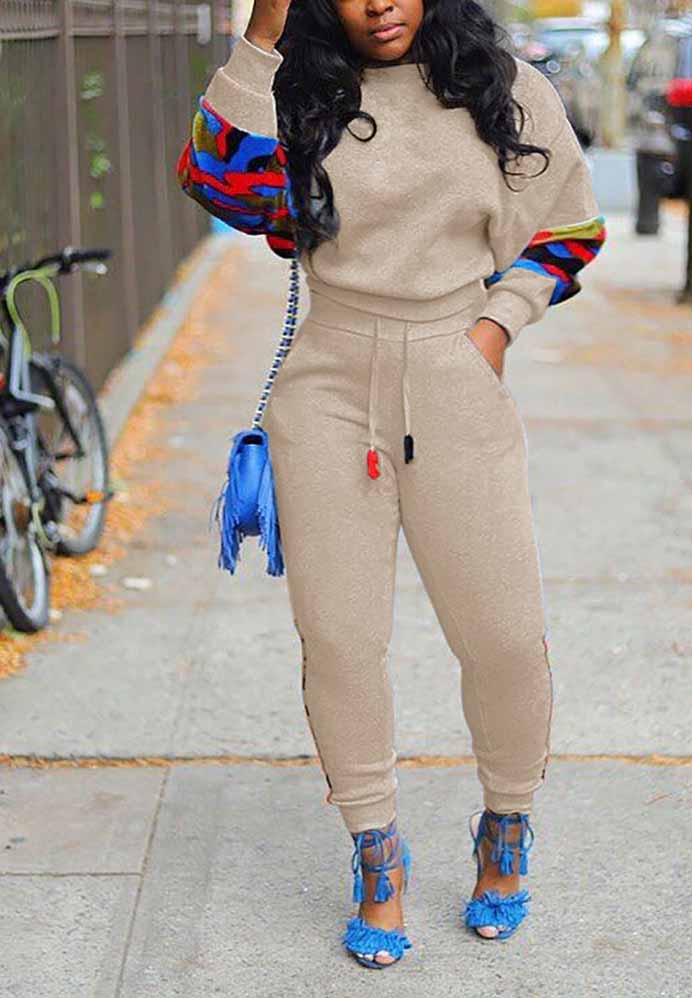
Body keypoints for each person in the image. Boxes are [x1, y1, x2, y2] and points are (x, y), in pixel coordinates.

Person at [176, 0, 606, 970]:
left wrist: (497, 325)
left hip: (455, 370)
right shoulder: (300, 88)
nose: (380, 2)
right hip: (327, 384)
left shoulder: (498, 87)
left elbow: (570, 225)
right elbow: (220, 185)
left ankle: (505, 824)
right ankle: (377, 854)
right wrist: (263, 35)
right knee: (339, 639)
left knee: (503, 633)